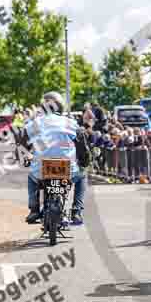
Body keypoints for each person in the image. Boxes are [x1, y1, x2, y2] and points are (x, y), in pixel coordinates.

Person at [24, 92, 89, 226]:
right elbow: (81, 147)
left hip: (41, 169)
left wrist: (24, 155)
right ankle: (76, 211)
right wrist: (84, 162)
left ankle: (34, 210)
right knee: (82, 176)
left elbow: (24, 142)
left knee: (31, 177)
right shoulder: (70, 123)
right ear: (61, 107)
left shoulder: (35, 123)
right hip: (67, 169)